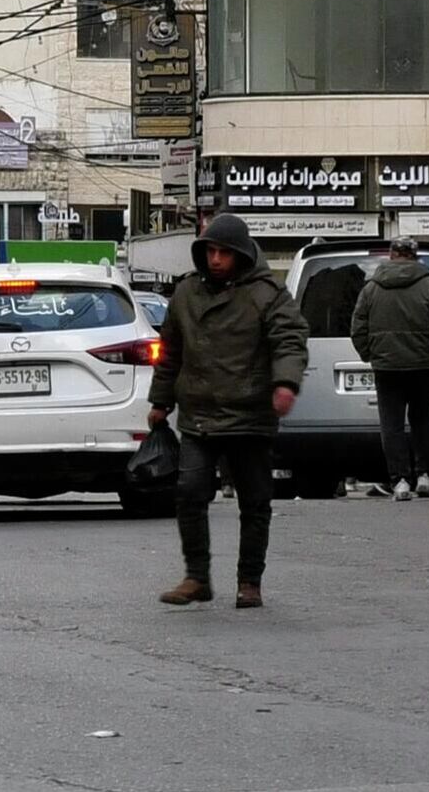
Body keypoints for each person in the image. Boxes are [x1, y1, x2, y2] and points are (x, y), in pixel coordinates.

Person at [147, 214, 309, 610]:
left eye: (225, 253)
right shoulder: (186, 293)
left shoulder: (267, 293)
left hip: (250, 414)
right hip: (199, 412)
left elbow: (289, 339)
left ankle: (249, 582)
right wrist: (160, 402)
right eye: (211, 251)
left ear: (240, 254)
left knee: (254, 501)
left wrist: (285, 384)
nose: (217, 260)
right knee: (188, 493)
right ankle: (196, 577)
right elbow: (170, 352)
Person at [350, 237, 429, 502]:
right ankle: (425, 475)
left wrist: (369, 354)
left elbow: (357, 326)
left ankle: (399, 480)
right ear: (415, 256)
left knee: (392, 424)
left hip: (386, 365)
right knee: (423, 419)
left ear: (391, 255)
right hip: (424, 364)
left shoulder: (371, 288)